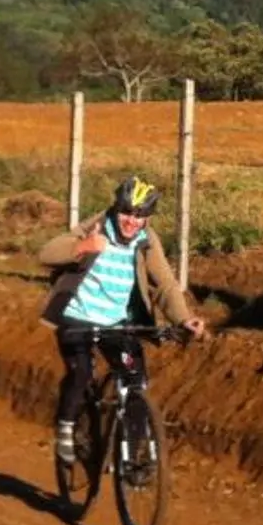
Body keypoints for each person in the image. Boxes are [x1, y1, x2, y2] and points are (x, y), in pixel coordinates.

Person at [37, 174, 206, 464]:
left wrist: (183, 319)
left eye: (140, 215)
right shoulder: (97, 226)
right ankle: (65, 427)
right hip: (77, 317)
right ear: (117, 208)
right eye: (127, 212)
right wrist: (82, 247)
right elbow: (46, 253)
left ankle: (136, 458)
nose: (131, 221)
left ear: (147, 218)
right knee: (81, 373)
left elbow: (164, 283)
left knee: (135, 382)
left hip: (117, 323)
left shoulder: (146, 240)